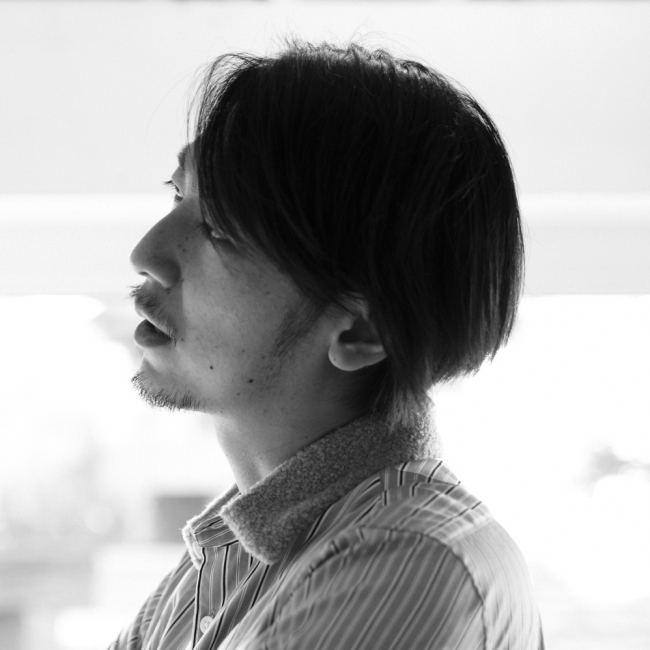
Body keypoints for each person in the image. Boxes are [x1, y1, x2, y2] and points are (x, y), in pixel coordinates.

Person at [112, 40, 543, 650]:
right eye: (179, 195)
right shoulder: (225, 559)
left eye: (221, 228)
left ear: (362, 331)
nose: (147, 253)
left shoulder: (400, 563)